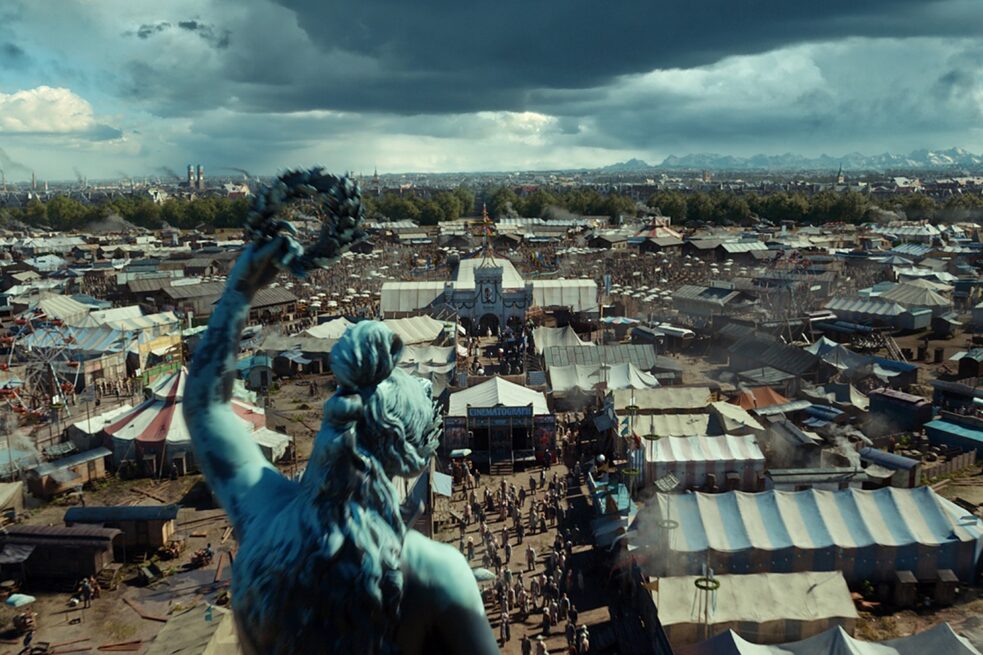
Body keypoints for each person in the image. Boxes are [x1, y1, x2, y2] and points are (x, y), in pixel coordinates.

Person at [186, 239, 500, 655]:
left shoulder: (266, 520)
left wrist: (238, 291)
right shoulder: (436, 573)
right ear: (413, 456)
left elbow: (204, 407)